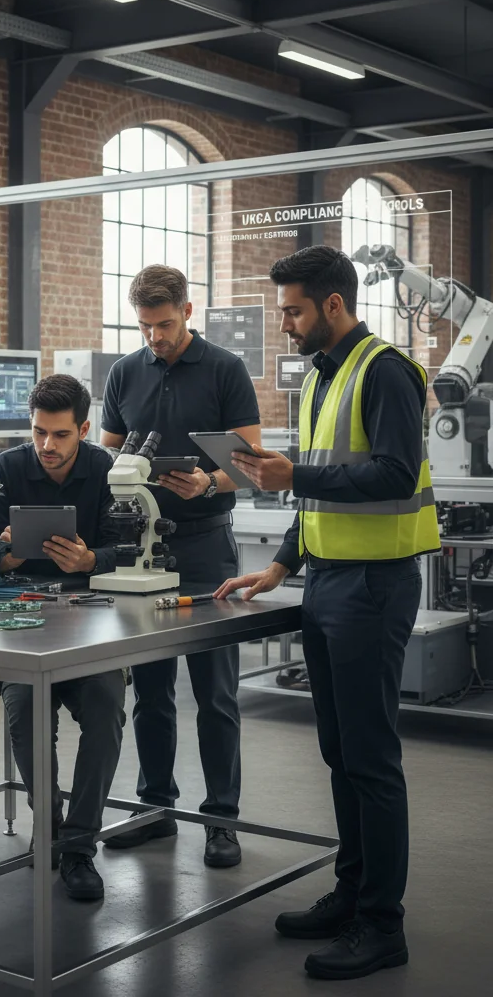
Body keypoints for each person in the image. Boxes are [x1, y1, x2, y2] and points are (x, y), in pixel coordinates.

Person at [216, 245, 439, 981]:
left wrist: (295, 473)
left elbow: (394, 472)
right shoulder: (319, 378)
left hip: (374, 588)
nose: (283, 323)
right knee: (341, 755)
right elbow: (314, 494)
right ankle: (352, 893)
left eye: (293, 310)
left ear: (333, 306)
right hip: (326, 583)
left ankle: (383, 925)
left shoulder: (385, 371)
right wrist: (281, 563)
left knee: (372, 760)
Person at [100, 264, 261, 869]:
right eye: (144, 327)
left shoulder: (224, 368)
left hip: (204, 546)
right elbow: (109, 453)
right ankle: (155, 808)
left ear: (188, 312)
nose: (155, 338)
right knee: (151, 690)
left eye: (164, 325)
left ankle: (221, 819)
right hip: (138, 545)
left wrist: (208, 481)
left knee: (215, 692)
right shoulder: (124, 371)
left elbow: (249, 459)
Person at [0, 374, 124, 901]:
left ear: (84, 429)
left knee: (106, 711)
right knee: (27, 714)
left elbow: (125, 547)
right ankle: (53, 826)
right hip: (20, 620)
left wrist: (91, 560)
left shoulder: (107, 469)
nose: (47, 446)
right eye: (38, 432)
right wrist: (6, 554)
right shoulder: (8, 467)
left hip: (90, 621)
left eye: (60, 435)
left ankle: (80, 846)